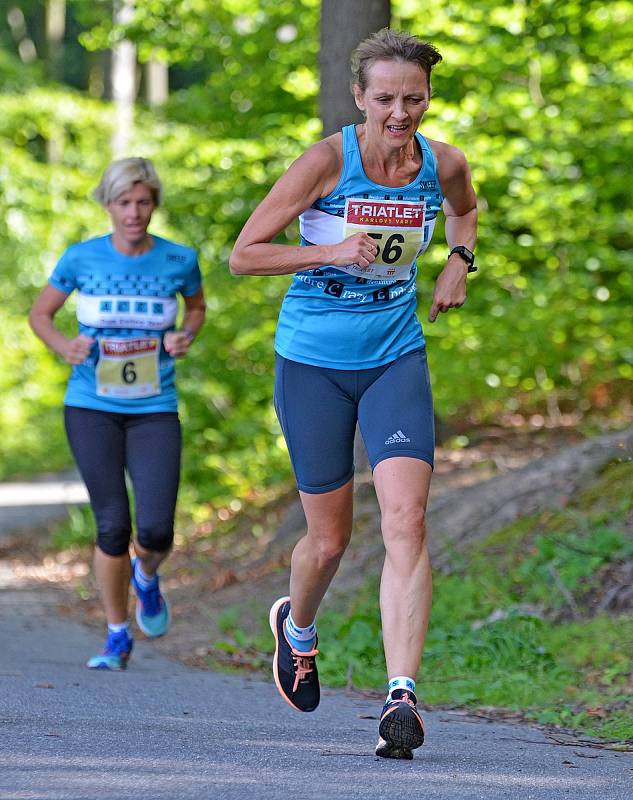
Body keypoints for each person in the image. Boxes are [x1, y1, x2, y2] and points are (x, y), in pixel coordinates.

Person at [230, 28, 477, 758]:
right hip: (311, 365)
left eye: (414, 98)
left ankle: (400, 696)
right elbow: (244, 254)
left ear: (427, 97)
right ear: (359, 97)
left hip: (394, 358)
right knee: (329, 540)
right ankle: (296, 628)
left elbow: (463, 211)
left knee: (406, 520)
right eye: (386, 99)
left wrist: (456, 262)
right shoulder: (325, 161)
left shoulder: (443, 164)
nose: (400, 112)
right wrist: (327, 249)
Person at [29, 157, 206, 670]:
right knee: (111, 526)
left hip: (154, 408)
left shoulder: (178, 259)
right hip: (91, 407)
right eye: (124, 202)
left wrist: (184, 335)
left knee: (155, 531)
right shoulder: (82, 258)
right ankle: (116, 634)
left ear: (154, 205)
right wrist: (64, 345)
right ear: (108, 205)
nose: (134, 213)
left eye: (143, 202)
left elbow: (195, 308)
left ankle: (146, 576)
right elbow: (41, 313)